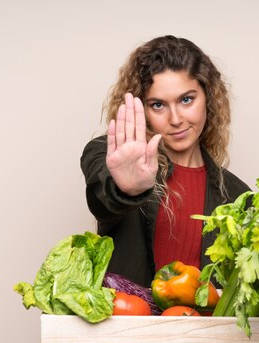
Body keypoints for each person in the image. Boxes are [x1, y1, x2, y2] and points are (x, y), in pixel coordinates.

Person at [81, 35, 250, 287]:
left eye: (186, 100)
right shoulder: (110, 154)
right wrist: (125, 190)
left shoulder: (239, 196)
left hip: (206, 327)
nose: (176, 119)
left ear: (208, 98)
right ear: (142, 110)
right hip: (130, 324)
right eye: (158, 105)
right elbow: (103, 196)